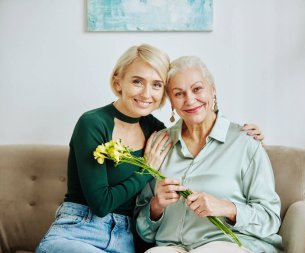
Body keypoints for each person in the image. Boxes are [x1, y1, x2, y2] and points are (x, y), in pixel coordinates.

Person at [35, 44, 264, 253]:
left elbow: (196, 129)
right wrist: (146, 169)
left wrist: (244, 135)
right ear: (118, 82)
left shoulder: (156, 131)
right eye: (137, 81)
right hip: (79, 229)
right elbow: (101, 204)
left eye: (156, 85)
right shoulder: (93, 123)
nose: (146, 93)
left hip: (124, 238)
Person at [136, 56, 283, 253]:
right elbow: (143, 230)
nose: (190, 99)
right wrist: (156, 205)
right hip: (171, 246)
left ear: (213, 89)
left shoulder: (245, 142)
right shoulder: (159, 145)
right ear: (171, 100)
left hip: (232, 244)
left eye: (197, 89)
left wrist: (226, 207)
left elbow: (270, 219)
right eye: (179, 93)